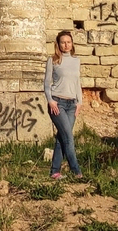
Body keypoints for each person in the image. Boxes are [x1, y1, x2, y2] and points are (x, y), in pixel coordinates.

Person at [43, 30, 83, 180]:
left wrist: (80, 102)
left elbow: (77, 83)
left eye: (69, 42)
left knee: (62, 138)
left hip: (72, 104)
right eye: (63, 42)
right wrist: (50, 100)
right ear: (58, 45)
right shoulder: (52, 60)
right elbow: (47, 83)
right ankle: (76, 171)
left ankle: (54, 172)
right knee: (68, 137)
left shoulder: (76, 60)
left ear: (72, 44)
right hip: (57, 103)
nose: (66, 45)